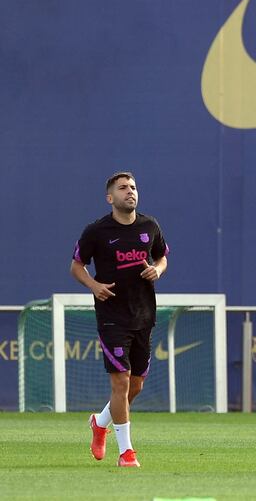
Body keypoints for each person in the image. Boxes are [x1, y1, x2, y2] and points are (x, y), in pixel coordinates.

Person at [71, 172, 169, 468]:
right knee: (121, 382)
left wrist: (158, 270)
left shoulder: (149, 226)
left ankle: (99, 422)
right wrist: (94, 285)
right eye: (123, 188)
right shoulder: (97, 231)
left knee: (135, 386)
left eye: (134, 187)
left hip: (144, 315)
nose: (130, 192)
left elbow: (162, 257)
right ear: (110, 197)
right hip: (112, 317)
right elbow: (76, 266)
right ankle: (126, 452)